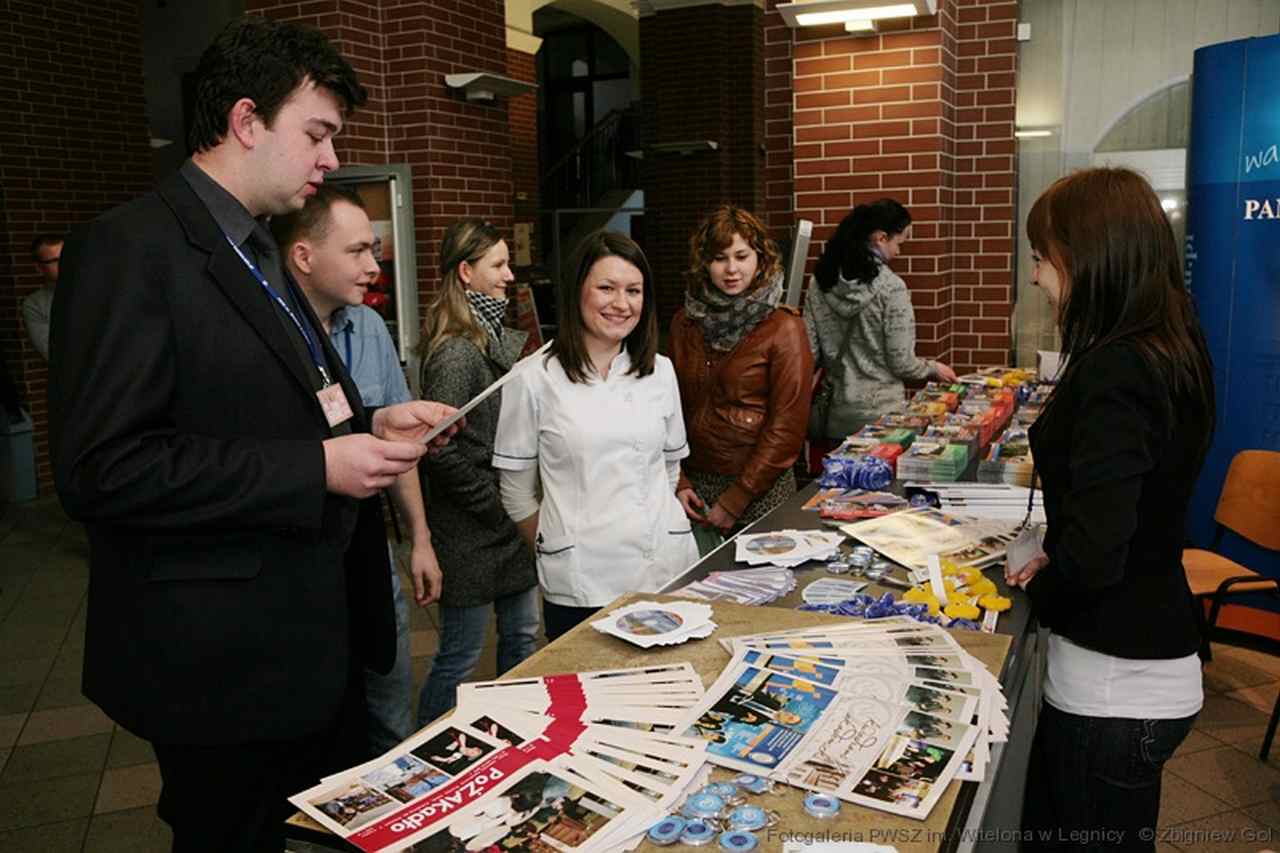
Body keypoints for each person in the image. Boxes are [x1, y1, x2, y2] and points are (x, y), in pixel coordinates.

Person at [46, 17, 460, 852]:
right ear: (244, 121)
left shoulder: (259, 250)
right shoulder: (130, 249)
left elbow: (288, 394)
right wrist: (314, 467)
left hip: (308, 640)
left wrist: (374, 419)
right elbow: (100, 467)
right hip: (219, 663)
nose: (330, 159)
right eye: (317, 133)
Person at [1006, 168, 1215, 851]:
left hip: (1114, 690)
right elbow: (1129, 513)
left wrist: (1045, 582)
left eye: (1040, 257)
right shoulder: (1171, 347)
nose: (1035, 276)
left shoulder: (1117, 370)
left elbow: (1097, 555)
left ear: (1087, 256)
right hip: (1147, 668)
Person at [271, 184, 442, 754]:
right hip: (299, 579)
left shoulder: (367, 328)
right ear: (304, 257)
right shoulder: (265, 342)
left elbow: (393, 445)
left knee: (391, 711)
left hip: (369, 561)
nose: (374, 267)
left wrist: (419, 539)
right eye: (358, 251)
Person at [493, 231, 698, 640]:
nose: (621, 304)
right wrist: (559, 545)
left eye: (634, 291)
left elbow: (669, 470)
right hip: (582, 583)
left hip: (666, 569)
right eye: (606, 288)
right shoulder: (533, 379)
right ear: (577, 292)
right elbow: (515, 491)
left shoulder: (660, 371)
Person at [415, 218, 539, 725]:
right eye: (498, 264)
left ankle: (515, 731)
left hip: (500, 522)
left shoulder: (486, 339)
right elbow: (438, 449)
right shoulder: (456, 353)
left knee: (524, 639)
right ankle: (421, 750)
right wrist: (497, 505)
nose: (510, 275)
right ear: (466, 272)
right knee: (461, 655)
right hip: (471, 529)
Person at [670, 205, 813, 534]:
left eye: (741, 256)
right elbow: (667, 406)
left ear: (760, 259)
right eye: (720, 258)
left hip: (759, 490)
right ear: (705, 263)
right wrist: (678, 479)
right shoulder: (685, 322)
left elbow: (787, 429)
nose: (731, 269)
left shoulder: (784, 328)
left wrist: (736, 499)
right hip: (693, 489)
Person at [803, 199, 957, 442]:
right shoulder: (892, 288)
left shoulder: (818, 283)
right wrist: (932, 368)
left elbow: (809, 353)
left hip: (836, 416)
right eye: (899, 242)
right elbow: (901, 363)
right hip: (883, 420)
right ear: (880, 238)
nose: (899, 251)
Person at [23, 233, 64, 359]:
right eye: (55, 261)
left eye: (67, 257)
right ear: (39, 268)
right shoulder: (35, 304)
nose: (64, 264)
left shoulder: (97, 289)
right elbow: (54, 353)